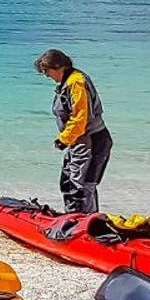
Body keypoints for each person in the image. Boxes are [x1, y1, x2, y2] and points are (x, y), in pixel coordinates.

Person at [35, 48, 112, 214]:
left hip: (91, 140)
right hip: (79, 141)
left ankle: (83, 224)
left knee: (81, 186)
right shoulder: (68, 81)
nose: (47, 76)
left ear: (57, 67)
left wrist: (63, 139)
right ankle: (75, 220)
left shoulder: (76, 83)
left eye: (47, 72)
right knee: (69, 182)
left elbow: (80, 117)